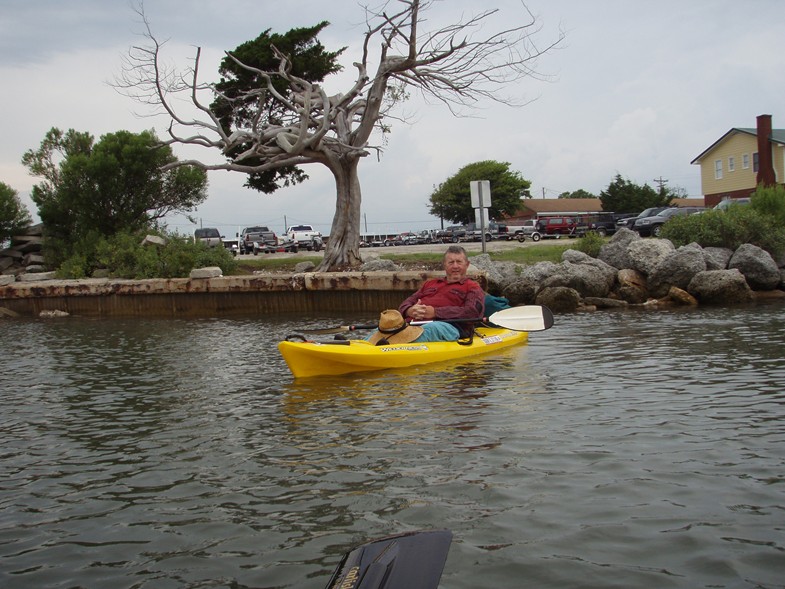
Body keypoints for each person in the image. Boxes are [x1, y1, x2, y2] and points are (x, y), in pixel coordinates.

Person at [398, 244, 485, 342]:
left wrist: (435, 312)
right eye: (451, 262)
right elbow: (404, 304)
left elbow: (472, 313)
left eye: (459, 262)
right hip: (412, 324)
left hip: (447, 326)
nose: (455, 266)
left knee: (431, 329)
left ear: (467, 264)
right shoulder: (430, 284)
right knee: (382, 328)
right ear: (444, 264)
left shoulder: (473, 287)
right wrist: (409, 310)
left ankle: (399, 344)